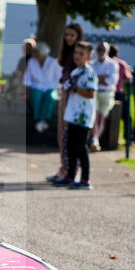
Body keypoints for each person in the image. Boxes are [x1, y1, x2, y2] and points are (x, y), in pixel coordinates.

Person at [53, 41, 97, 189]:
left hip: (83, 118)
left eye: (81, 54)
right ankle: (70, 175)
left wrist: (76, 89)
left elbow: (91, 93)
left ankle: (85, 179)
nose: (77, 56)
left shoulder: (89, 73)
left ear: (88, 57)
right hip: (72, 115)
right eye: (76, 53)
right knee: (70, 147)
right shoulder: (75, 71)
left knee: (80, 148)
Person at [48, 22, 84, 181]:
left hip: (75, 100)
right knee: (62, 135)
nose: (69, 38)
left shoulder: (79, 55)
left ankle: (71, 171)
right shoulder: (65, 54)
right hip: (64, 96)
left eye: (72, 35)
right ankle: (64, 168)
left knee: (70, 136)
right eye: (67, 35)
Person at [23, 40, 61, 134]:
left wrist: (59, 91)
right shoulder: (31, 62)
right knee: (36, 96)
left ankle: (44, 120)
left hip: (50, 87)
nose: (34, 53)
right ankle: (37, 119)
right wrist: (26, 92)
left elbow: (59, 78)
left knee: (50, 97)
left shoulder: (53, 62)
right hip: (36, 87)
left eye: (36, 51)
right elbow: (27, 78)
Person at [89, 41, 119, 151]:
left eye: (103, 49)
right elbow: (92, 80)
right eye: (99, 49)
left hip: (107, 94)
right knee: (95, 117)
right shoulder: (92, 64)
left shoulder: (113, 64)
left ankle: (95, 138)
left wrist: (99, 78)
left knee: (101, 118)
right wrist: (102, 78)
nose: (101, 52)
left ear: (107, 51)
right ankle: (94, 139)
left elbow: (111, 81)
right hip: (95, 93)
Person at [108, 44, 133, 143]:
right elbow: (128, 77)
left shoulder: (105, 63)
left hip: (108, 92)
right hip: (118, 93)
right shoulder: (121, 64)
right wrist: (129, 72)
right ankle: (128, 138)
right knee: (127, 117)